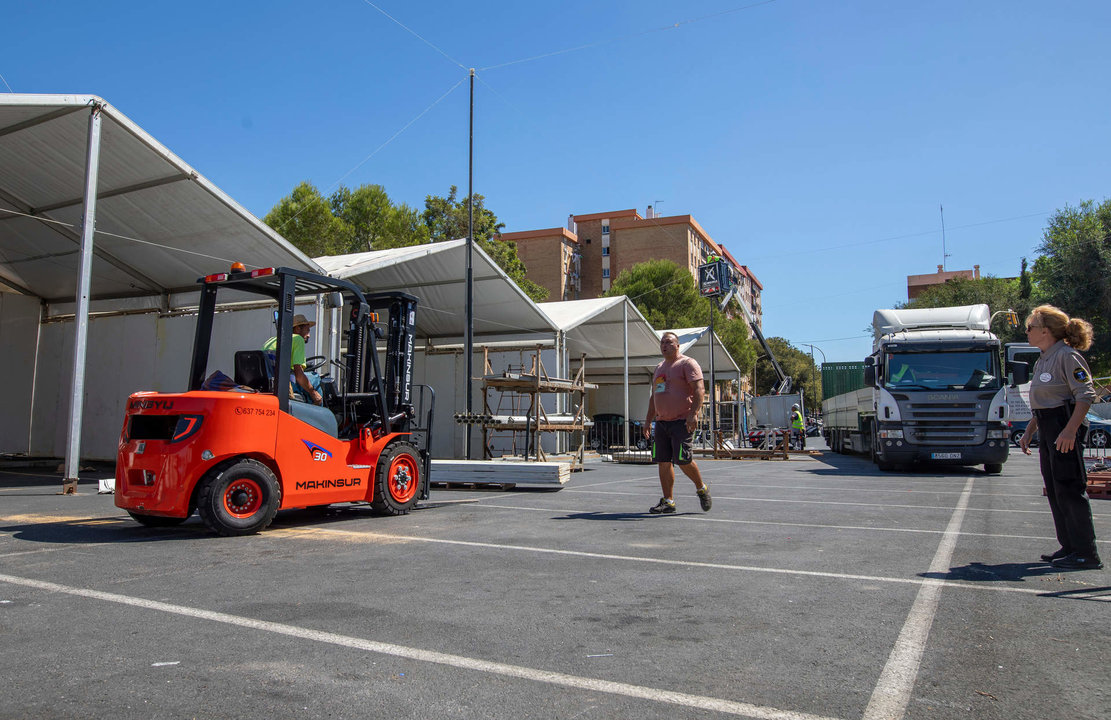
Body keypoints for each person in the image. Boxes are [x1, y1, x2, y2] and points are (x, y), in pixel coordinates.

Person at [1020, 305, 1102, 570]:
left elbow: (1086, 394)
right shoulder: (1044, 358)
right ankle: (1068, 546)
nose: (1027, 332)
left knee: (1069, 488)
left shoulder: (1067, 356)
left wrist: (1069, 430)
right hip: (1047, 425)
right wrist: (1031, 429)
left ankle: (1086, 553)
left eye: (1029, 327)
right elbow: (1045, 400)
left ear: (1045, 331)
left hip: (1062, 426)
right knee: (1055, 490)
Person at [642, 332, 712, 514]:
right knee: (663, 462)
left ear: (678, 345)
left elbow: (699, 390)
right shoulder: (659, 368)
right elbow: (654, 397)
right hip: (662, 423)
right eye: (662, 342)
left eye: (669, 342)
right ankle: (668, 501)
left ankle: (701, 488)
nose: (665, 345)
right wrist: (648, 421)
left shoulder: (687, 364)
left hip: (682, 421)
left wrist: (694, 414)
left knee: (683, 460)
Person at [263, 313, 323, 405]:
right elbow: (299, 375)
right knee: (315, 377)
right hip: (286, 383)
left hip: (271, 381)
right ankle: (320, 411)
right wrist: (313, 393)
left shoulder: (271, 340)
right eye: (307, 331)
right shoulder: (298, 339)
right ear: (298, 328)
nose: (309, 335)